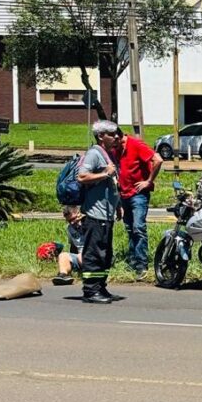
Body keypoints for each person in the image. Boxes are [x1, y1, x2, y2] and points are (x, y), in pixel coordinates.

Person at [77, 120, 122, 304]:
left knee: (105, 254)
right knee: (94, 253)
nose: (116, 137)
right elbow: (82, 176)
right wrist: (106, 174)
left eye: (116, 133)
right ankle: (90, 290)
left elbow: (111, 185)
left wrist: (117, 205)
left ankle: (101, 287)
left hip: (107, 213)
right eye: (111, 134)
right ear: (101, 136)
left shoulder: (107, 155)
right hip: (95, 215)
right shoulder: (94, 154)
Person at [114, 128, 163, 280]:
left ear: (119, 138)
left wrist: (149, 181)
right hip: (124, 193)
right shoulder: (115, 149)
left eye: (114, 143)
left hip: (138, 194)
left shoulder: (136, 145)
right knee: (129, 228)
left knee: (138, 227)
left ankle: (142, 263)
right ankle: (132, 259)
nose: (112, 147)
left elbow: (158, 159)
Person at [52, 206, 85, 286]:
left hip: (96, 254)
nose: (72, 223)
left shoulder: (91, 224)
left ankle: (91, 275)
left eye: (73, 219)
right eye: (69, 221)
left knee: (81, 256)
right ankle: (63, 276)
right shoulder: (70, 228)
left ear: (79, 214)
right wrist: (69, 259)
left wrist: (84, 220)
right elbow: (73, 246)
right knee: (63, 255)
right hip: (81, 257)